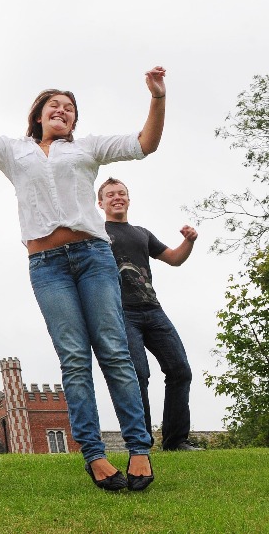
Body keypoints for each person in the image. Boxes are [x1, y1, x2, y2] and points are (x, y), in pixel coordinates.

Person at [0, 60, 165, 491]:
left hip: (93, 258)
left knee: (113, 350)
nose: (62, 110)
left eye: (69, 107)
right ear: (38, 115)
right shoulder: (15, 152)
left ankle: (139, 448)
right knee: (74, 358)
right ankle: (94, 455)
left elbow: (146, 143)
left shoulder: (87, 148)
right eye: (55, 105)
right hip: (48, 266)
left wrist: (157, 96)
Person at [99, 177, 203, 452]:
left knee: (180, 370)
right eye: (110, 195)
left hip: (153, 310)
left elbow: (174, 258)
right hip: (121, 312)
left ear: (128, 199)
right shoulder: (96, 232)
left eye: (121, 193)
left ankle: (176, 441)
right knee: (138, 375)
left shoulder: (142, 233)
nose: (117, 197)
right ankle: (141, 442)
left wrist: (188, 241)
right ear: (100, 203)